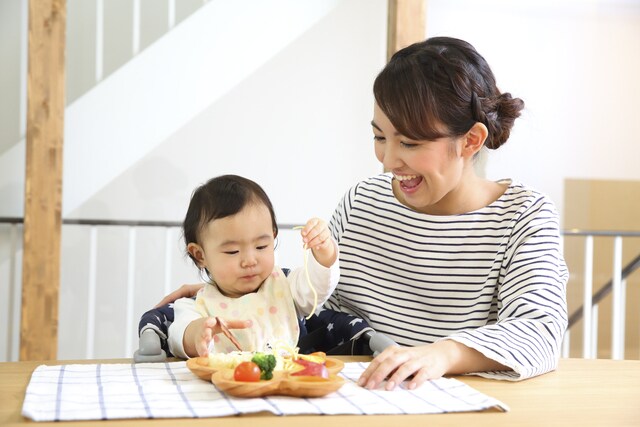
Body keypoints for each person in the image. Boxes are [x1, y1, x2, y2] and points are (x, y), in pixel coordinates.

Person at [158, 37, 568, 390]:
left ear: (470, 140)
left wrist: (440, 355)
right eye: (379, 137)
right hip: (358, 398)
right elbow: (315, 308)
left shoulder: (524, 217)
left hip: (462, 403)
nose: (388, 160)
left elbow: (541, 333)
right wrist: (235, 297)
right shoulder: (363, 201)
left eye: (408, 143)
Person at [167, 174, 339, 359]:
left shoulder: (285, 287)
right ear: (200, 255)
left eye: (261, 247)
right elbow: (179, 334)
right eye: (232, 251)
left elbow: (317, 286)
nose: (249, 260)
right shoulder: (196, 306)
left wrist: (324, 250)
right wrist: (197, 332)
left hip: (286, 383)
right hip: (224, 384)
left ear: (273, 237)